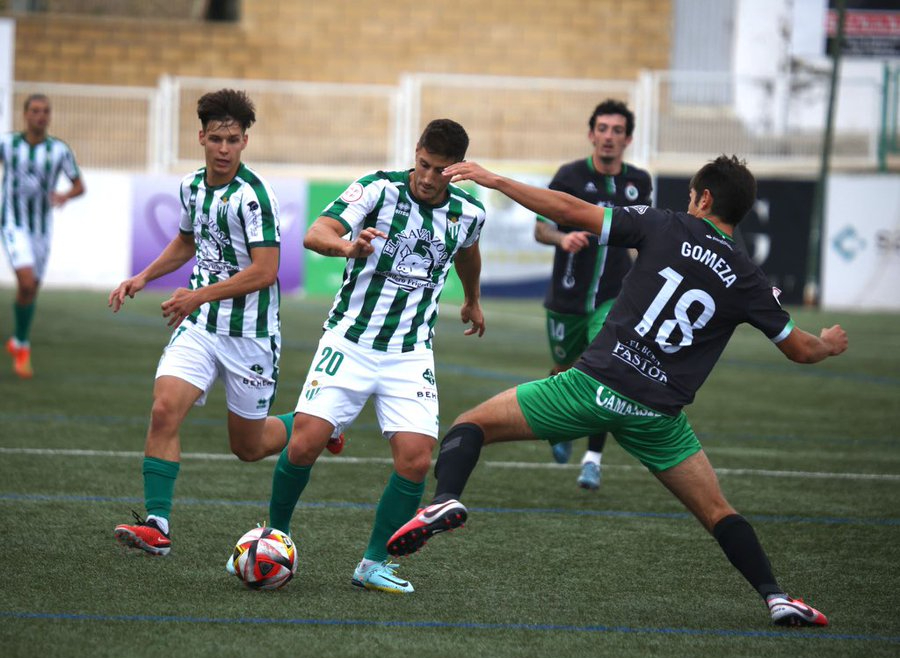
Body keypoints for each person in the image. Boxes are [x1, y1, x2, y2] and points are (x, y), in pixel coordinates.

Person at [388, 155, 847, 627]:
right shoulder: (749, 278)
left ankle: (445, 499)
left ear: (705, 198)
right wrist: (828, 345)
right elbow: (800, 350)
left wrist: (497, 180)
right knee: (717, 511)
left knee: (471, 425)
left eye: (691, 196)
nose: (687, 203)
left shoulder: (664, 226)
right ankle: (776, 597)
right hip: (658, 416)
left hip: (592, 387)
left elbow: (568, 210)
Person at [253, 118, 486, 594]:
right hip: (350, 341)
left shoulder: (468, 212)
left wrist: (472, 297)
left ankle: (372, 564)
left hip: (409, 352)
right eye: (423, 164)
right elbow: (316, 231)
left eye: (440, 170)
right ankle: (274, 535)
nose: (427, 177)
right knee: (304, 443)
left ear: (456, 170)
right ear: (415, 152)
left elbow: (468, 253)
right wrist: (346, 246)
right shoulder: (377, 190)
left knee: (417, 461)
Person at [109, 89, 297, 556]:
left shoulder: (255, 197)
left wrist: (196, 294)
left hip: (251, 335)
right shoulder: (192, 186)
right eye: (216, 139)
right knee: (163, 409)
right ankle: (157, 525)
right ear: (201, 137)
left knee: (248, 448)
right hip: (202, 325)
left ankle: (315, 425)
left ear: (245, 141)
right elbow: (186, 241)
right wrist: (144, 276)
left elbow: (265, 271)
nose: (224, 148)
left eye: (233, 139)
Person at [535, 99, 652, 490]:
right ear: (591, 134)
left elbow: (644, 239)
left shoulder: (639, 182)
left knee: (605, 372)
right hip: (566, 298)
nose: (609, 137)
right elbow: (540, 230)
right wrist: (561, 236)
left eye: (617, 131)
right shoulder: (568, 176)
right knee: (565, 371)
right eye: (602, 129)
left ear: (627, 139)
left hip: (612, 299)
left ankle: (593, 459)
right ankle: (562, 426)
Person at [1, 94, 85, 379]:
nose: (41, 116)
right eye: (35, 111)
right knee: (25, 281)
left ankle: (16, 339)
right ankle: (23, 347)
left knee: (31, 288)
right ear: (25, 114)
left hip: (42, 228)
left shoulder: (59, 150)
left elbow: (79, 185)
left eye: (45, 111)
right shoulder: (8, 144)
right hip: (13, 222)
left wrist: (65, 195)